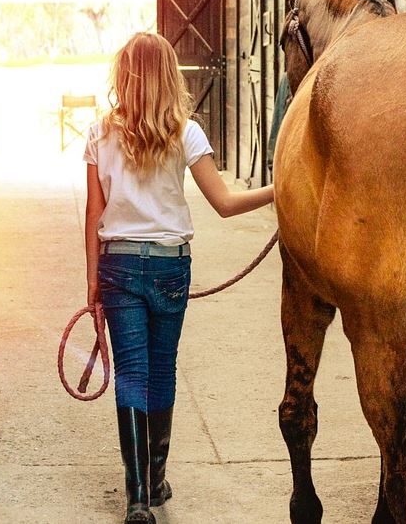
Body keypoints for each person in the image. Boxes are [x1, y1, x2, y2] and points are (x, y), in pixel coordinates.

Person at [83, 32, 274, 524]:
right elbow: (227, 205)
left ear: (123, 76)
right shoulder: (186, 133)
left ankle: (138, 497)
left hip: (118, 264)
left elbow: (93, 213)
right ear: (170, 75)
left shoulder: (99, 134)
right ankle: (157, 476)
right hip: (169, 265)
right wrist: (282, 189)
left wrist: (92, 282)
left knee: (130, 373)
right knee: (162, 370)